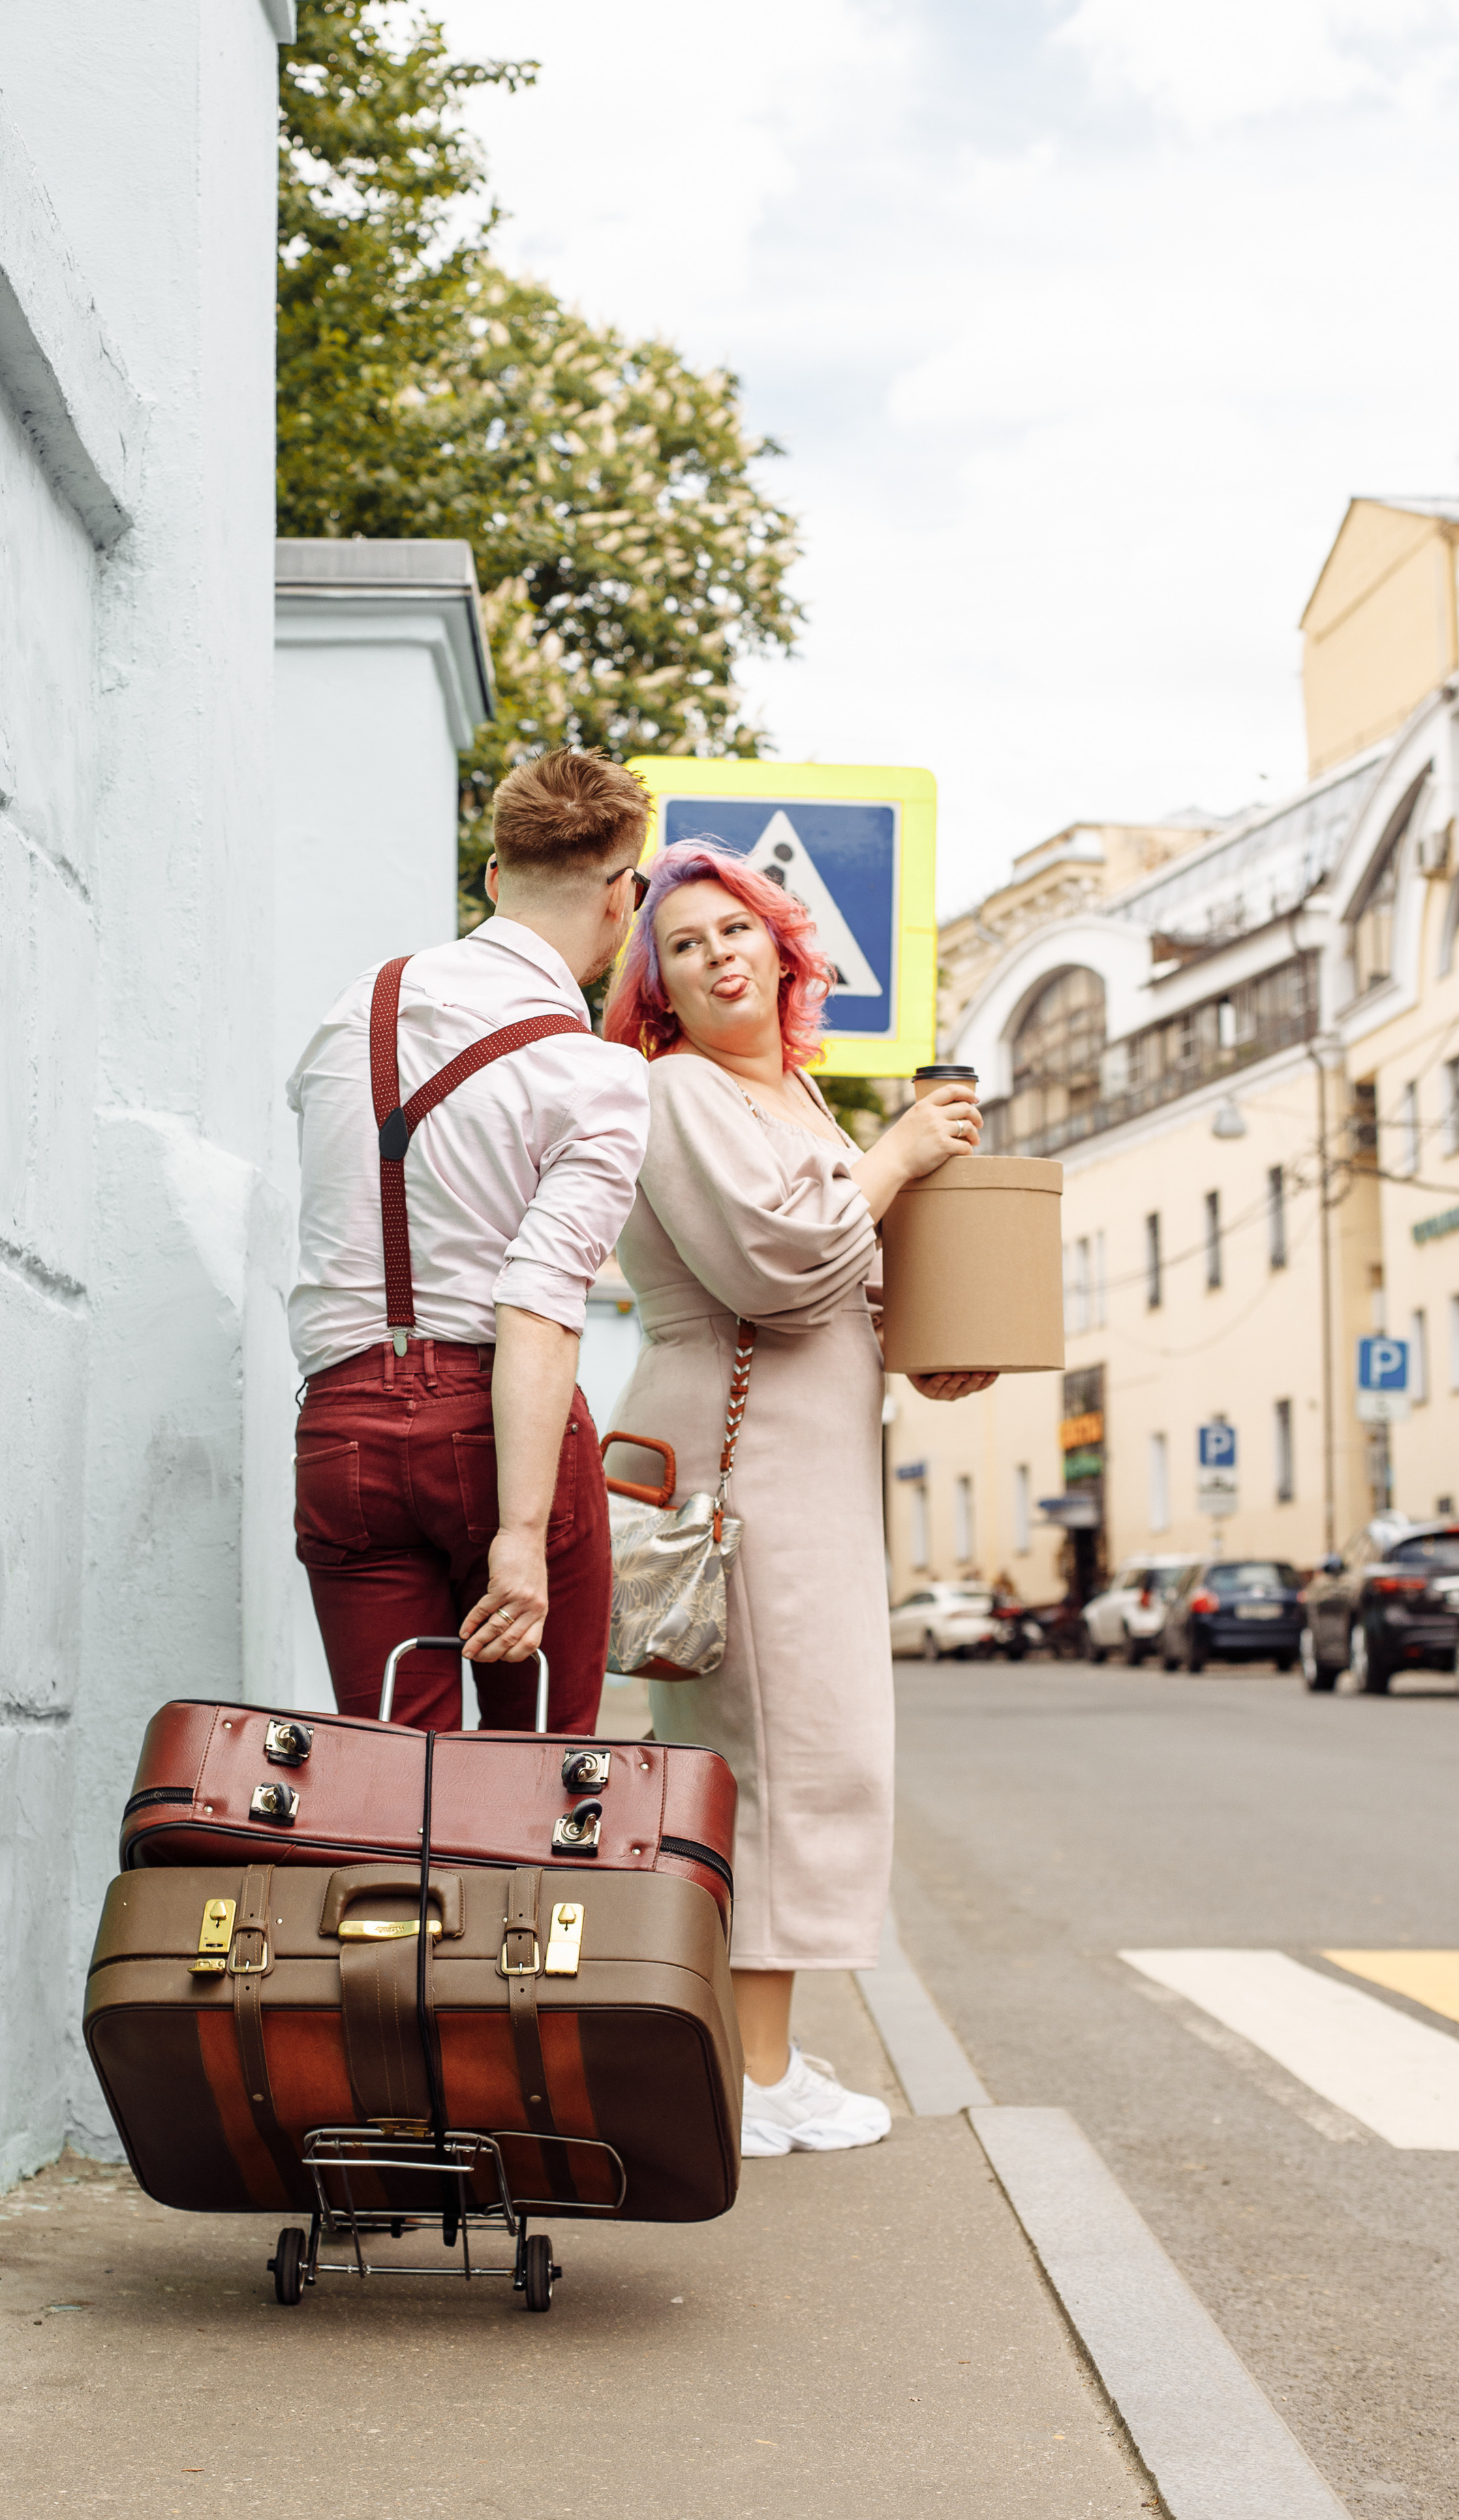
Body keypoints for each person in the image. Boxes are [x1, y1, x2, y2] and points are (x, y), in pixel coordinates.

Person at [602, 839, 994, 2157]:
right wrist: (894, 1160)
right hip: (744, 1472)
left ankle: (755, 2056)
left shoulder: (791, 1103)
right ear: (658, 983)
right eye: (685, 944)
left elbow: (842, 1280)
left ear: (784, 949)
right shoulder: (676, 1091)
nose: (718, 955)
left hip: (802, 1466)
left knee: (811, 1761)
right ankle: (749, 2078)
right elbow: (781, 1269)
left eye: (737, 931)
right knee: (772, 1765)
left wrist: (929, 1345)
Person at [286, 747, 652, 1733]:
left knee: (404, 1792)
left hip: (343, 1426)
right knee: (533, 1783)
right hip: (498, 1432)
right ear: (622, 899)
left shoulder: (352, 1010)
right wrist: (522, 1534)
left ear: (495, 877)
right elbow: (537, 1301)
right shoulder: (595, 1077)